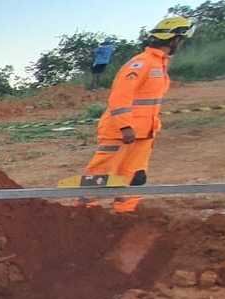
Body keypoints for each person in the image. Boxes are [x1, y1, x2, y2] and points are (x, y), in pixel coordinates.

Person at [79, 16, 194, 214]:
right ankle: (86, 212)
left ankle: (126, 212)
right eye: (180, 40)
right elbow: (120, 97)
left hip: (143, 133)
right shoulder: (140, 64)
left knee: (135, 176)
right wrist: (125, 126)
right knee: (100, 173)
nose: (180, 45)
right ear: (174, 39)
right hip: (121, 132)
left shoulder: (159, 64)